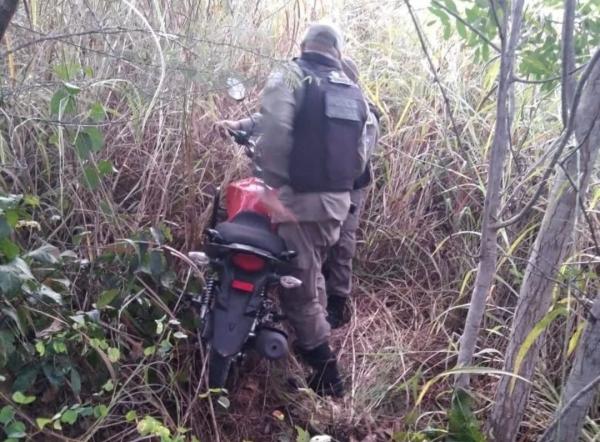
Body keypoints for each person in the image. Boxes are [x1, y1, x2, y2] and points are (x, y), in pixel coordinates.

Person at [217, 24, 368, 398]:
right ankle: (309, 332)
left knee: (296, 290)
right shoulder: (350, 89)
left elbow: (278, 126)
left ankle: (327, 374)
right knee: (309, 268)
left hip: (294, 200)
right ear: (336, 50)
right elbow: (360, 157)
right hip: (334, 205)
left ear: (303, 46)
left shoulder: (290, 72)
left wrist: (272, 186)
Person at [216, 61, 381, 331]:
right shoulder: (317, 100)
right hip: (311, 185)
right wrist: (239, 125)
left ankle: (335, 305)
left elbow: (356, 160)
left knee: (341, 245)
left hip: (345, 188)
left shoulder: (361, 112)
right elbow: (276, 119)